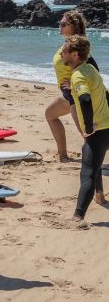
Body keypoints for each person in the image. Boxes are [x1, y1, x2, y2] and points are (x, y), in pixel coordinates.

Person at [61, 35, 109, 220]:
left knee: (88, 172)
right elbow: (105, 94)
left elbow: (85, 98)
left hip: (98, 131)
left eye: (64, 51)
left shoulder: (78, 74)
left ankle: (78, 216)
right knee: (92, 167)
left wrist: (88, 127)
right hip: (107, 126)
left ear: (74, 55)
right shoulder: (90, 69)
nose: (61, 53)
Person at [44, 11, 100, 162]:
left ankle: (93, 163)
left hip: (75, 97)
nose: (59, 27)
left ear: (73, 26)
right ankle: (63, 156)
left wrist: (73, 84)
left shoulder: (78, 46)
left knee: (86, 133)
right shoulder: (69, 44)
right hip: (67, 96)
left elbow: (93, 68)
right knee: (50, 114)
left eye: (63, 24)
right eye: (60, 24)